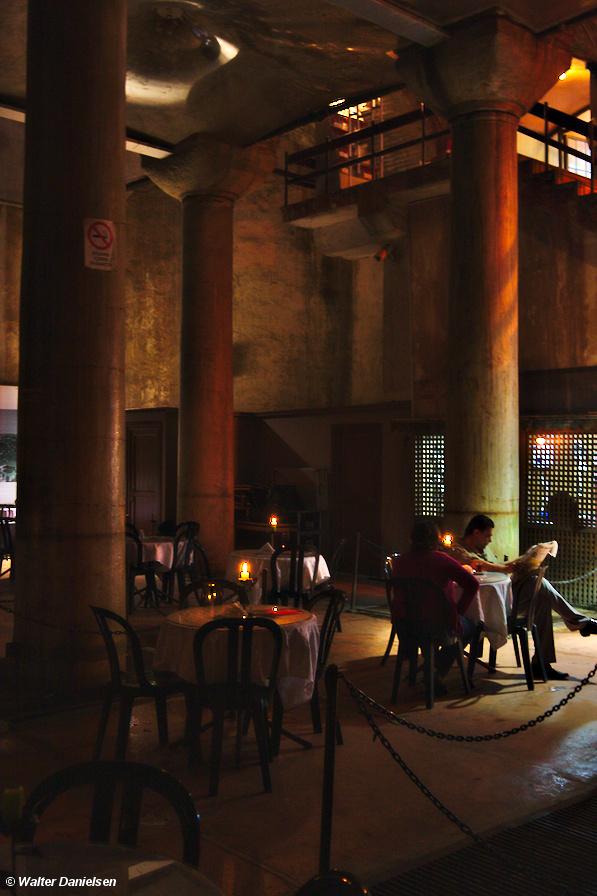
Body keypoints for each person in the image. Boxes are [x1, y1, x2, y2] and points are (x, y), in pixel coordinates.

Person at [449, 513, 597, 680]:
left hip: (502, 597)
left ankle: (542, 663)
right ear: (476, 532)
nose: (490, 540)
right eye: (487, 536)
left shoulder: (484, 549)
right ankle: (580, 624)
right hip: (482, 605)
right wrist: (508, 568)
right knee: (538, 587)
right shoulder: (457, 549)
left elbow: (496, 567)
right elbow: (480, 564)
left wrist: (521, 563)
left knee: (541, 596)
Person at [391, 520, 479, 695]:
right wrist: (457, 612)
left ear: (411, 538)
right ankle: (435, 672)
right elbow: (472, 584)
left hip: (406, 626)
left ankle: (428, 667)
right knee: (473, 626)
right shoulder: (441, 560)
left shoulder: (399, 562)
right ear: (436, 539)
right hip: (438, 626)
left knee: (433, 630)